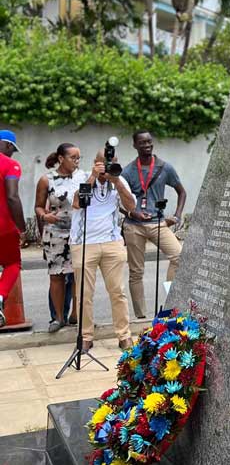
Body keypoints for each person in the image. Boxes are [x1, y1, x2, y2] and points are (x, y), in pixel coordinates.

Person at [70, 150, 135, 352]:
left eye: (112, 163)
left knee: (118, 292)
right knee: (84, 294)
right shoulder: (81, 177)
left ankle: (124, 336)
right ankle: (86, 336)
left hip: (112, 242)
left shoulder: (119, 180)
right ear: (95, 163)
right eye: (103, 163)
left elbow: (131, 206)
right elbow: (77, 202)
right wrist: (92, 176)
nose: (107, 167)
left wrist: (117, 182)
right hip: (84, 242)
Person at [121, 131, 186, 318]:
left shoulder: (165, 167)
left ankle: (172, 306)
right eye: (142, 142)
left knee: (179, 256)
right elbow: (119, 203)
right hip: (134, 226)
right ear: (134, 145)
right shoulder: (127, 171)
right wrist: (132, 212)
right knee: (136, 272)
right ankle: (141, 317)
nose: (146, 145)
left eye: (149, 141)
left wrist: (177, 216)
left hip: (158, 223)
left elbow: (181, 192)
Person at [34, 144, 85, 333]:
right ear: (61, 158)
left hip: (78, 232)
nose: (77, 161)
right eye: (73, 157)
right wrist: (44, 216)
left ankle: (76, 315)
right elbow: (38, 206)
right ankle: (58, 317)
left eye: (79, 158)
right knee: (57, 276)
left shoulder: (83, 176)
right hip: (55, 233)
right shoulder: (47, 180)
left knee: (79, 275)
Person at [0, 129, 25, 329]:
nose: (12, 153)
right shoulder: (10, 164)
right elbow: (12, 197)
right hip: (4, 227)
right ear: (7, 145)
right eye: (12, 149)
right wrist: (22, 228)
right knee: (13, 263)